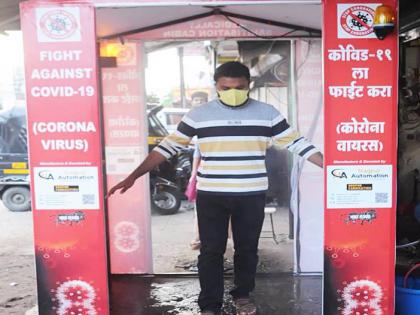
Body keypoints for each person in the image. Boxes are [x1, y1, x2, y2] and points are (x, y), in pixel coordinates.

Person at [108, 61, 323, 315]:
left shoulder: (268, 113)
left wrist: (329, 167)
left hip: (251, 193)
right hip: (212, 194)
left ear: (249, 85)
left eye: (239, 87)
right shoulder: (199, 115)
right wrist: (134, 175)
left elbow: (297, 143)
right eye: (226, 87)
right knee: (211, 251)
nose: (233, 92)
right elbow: (167, 147)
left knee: (247, 249)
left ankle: (242, 295)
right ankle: (210, 304)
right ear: (216, 87)